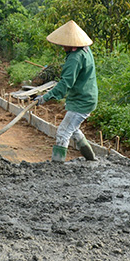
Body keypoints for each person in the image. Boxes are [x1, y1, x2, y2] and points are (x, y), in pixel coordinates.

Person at [36, 20, 98, 162]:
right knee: (73, 129)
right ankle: (92, 159)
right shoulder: (85, 50)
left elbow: (66, 83)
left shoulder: (75, 58)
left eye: (65, 43)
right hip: (86, 97)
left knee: (63, 132)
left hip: (82, 101)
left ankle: (57, 166)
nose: (62, 45)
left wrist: (45, 97)